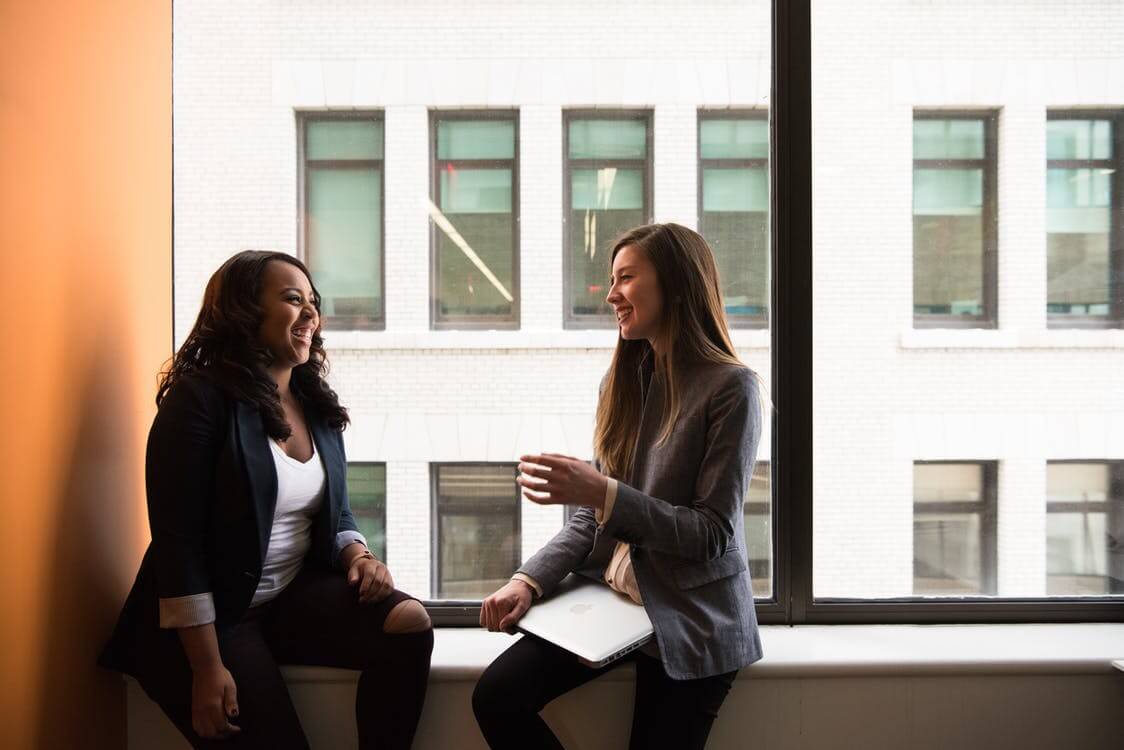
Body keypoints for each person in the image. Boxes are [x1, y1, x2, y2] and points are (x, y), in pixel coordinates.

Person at [100, 251, 433, 749]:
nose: (310, 315)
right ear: (243, 310)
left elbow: (333, 508)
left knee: (409, 624)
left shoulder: (313, 401)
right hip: (211, 621)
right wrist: (207, 669)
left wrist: (358, 554)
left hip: (283, 598)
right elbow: (179, 545)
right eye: (293, 299)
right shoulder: (198, 401)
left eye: (314, 303)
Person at [472, 223, 763, 750]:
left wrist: (602, 493)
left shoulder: (731, 387)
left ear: (675, 284)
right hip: (616, 602)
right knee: (496, 696)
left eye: (626, 278)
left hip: (692, 616)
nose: (610, 295)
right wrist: (528, 581)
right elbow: (592, 518)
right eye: (612, 280)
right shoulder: (621, 382)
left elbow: (712, 533)